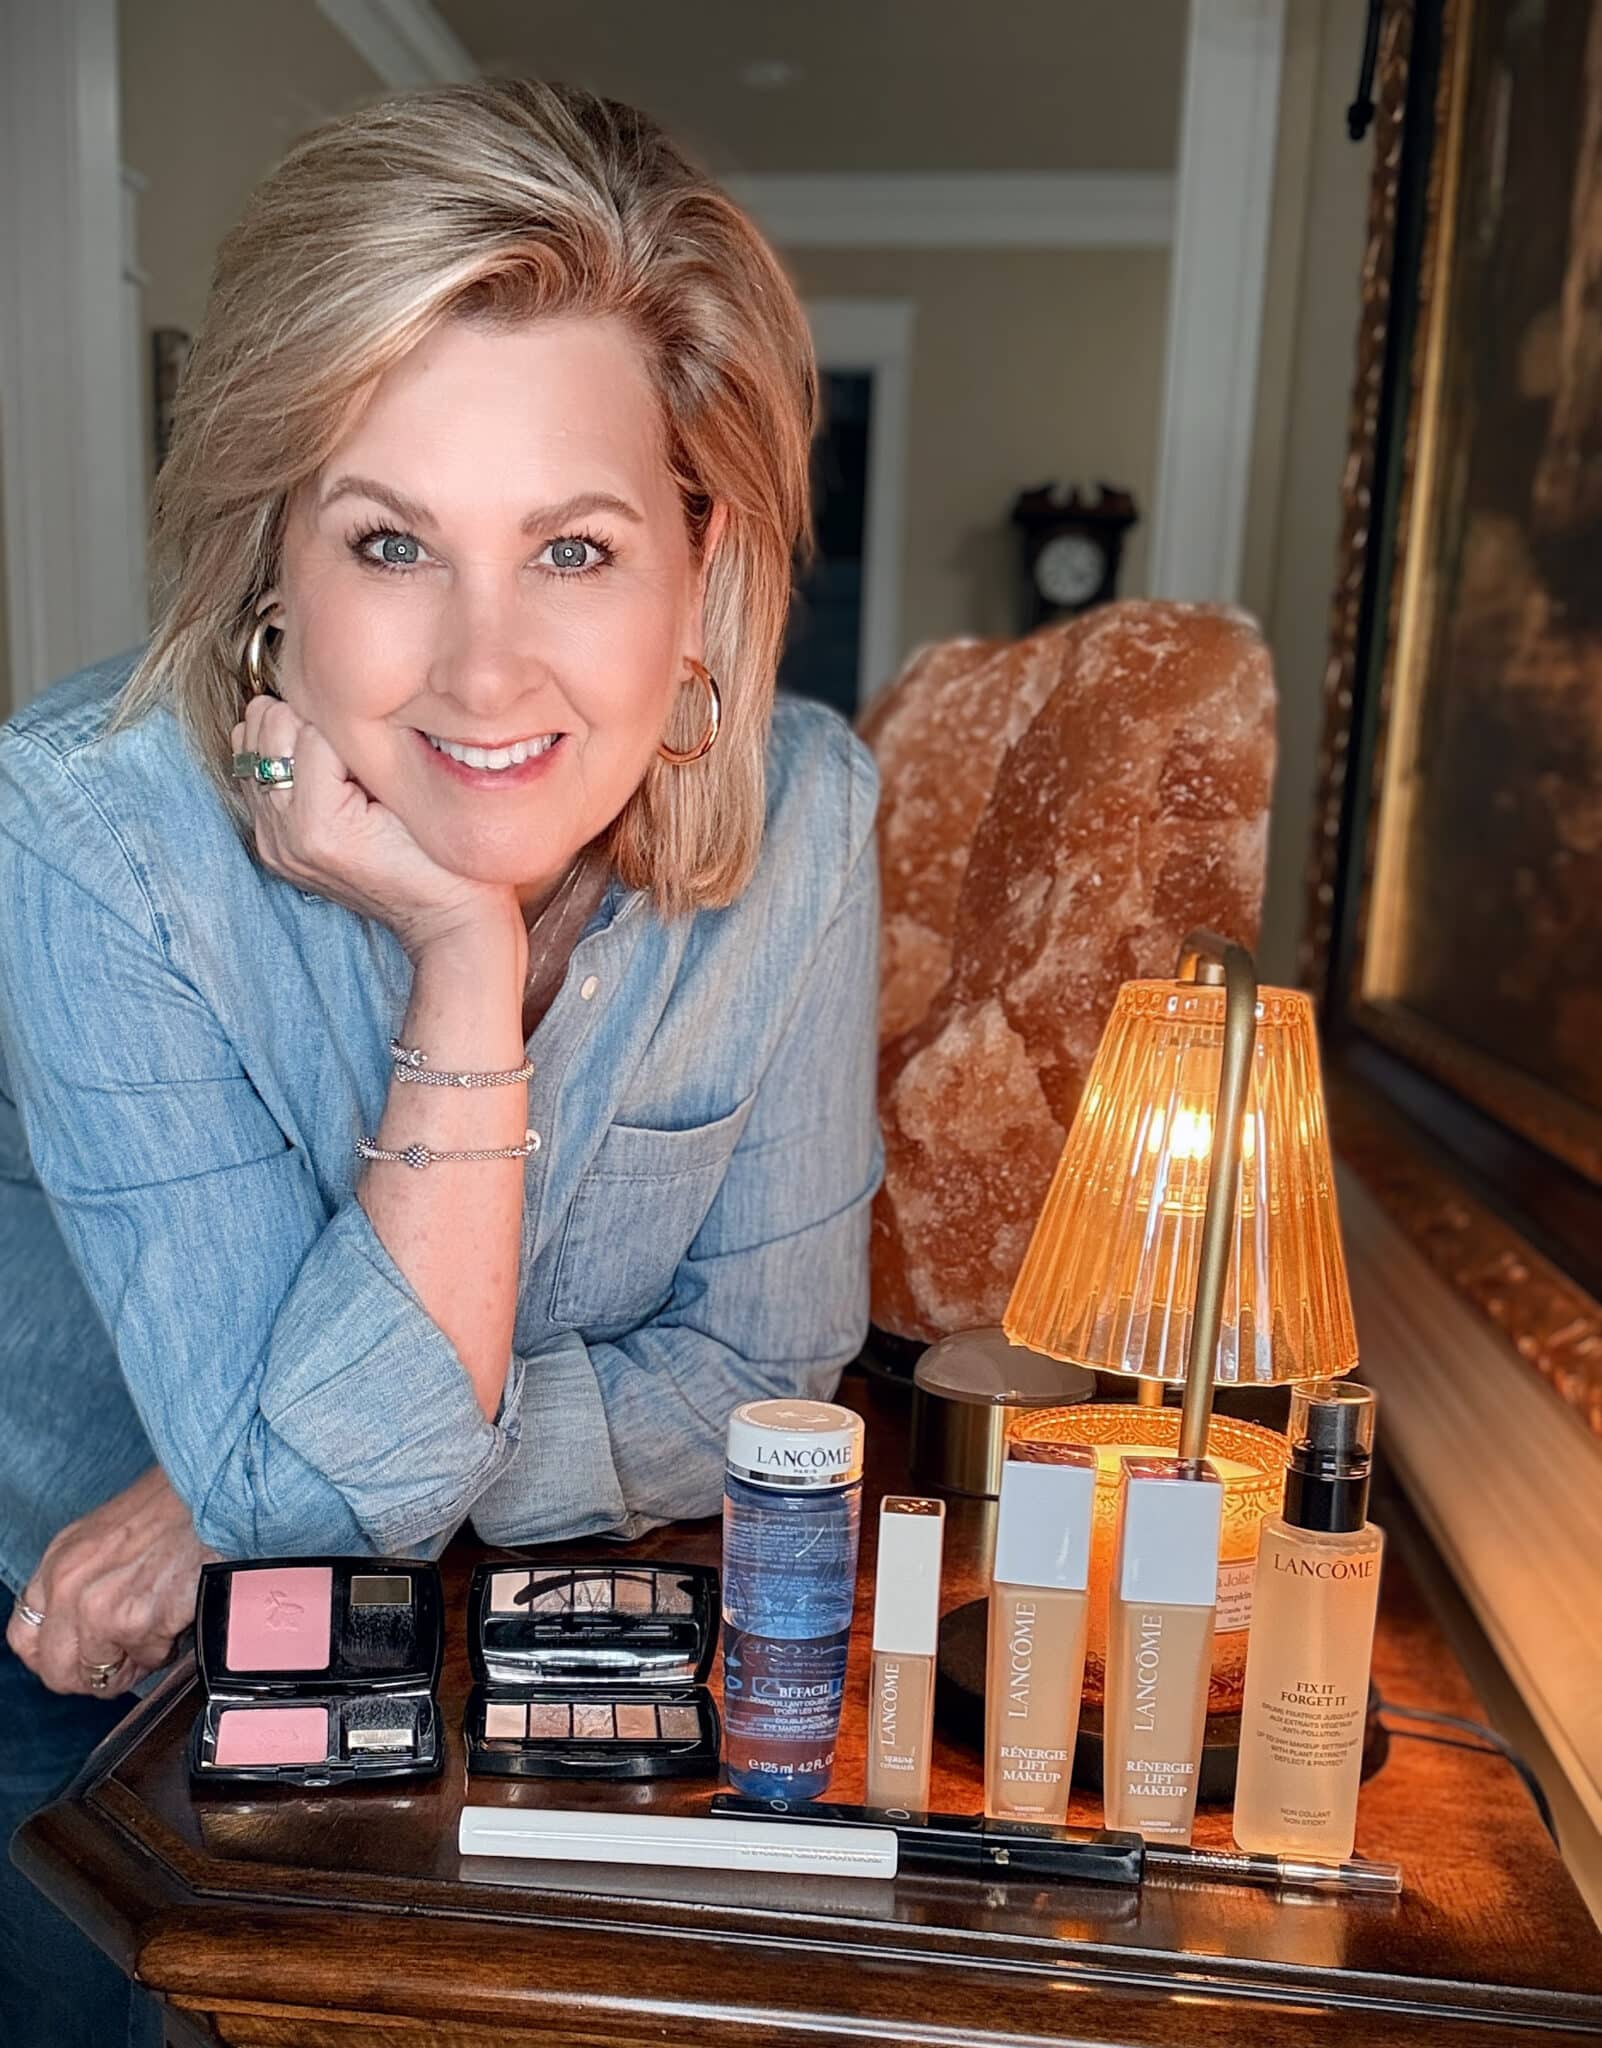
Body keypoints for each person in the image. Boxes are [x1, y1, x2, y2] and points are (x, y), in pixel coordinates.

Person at [0, 79, 882, 2044]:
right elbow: (306, 1511)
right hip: (75, 1661)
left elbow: (769, 1379)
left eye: (573, 550)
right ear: (270, 575)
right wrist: (467, 957)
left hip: (518, 1644)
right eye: (393, 542)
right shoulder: (92, 837)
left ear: (699, 558)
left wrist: (216, 1481)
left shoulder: (810, 824)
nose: (488, 674)